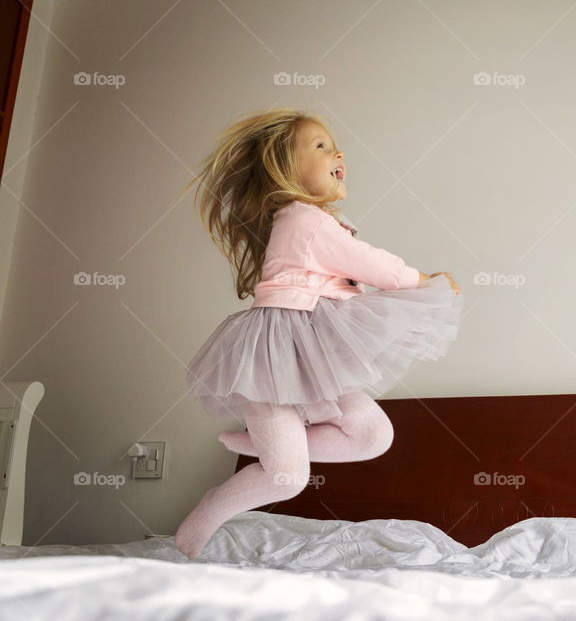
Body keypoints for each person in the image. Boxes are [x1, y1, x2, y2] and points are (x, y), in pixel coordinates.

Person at [173, 108, 463, 559]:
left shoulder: (310, 220)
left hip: (307, 353)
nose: (338, 151)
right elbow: (370, 262)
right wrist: (426, 280)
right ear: (285, 170)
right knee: (287, 479)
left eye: (335, 144)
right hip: (273, 355)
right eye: (321, 146)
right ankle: (199, 527)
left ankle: (270, 445)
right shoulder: (305, 220)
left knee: (373, 436)